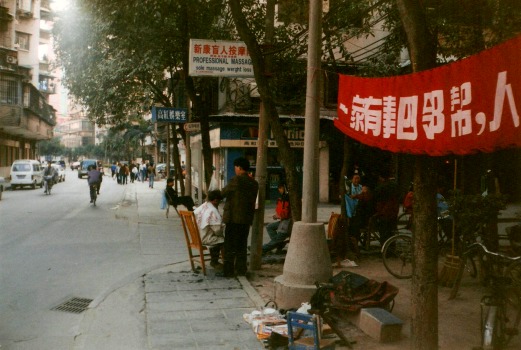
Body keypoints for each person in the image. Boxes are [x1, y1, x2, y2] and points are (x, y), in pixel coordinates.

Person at [220, 157, 259, 277]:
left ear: (239, 167)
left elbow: (223, 193)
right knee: (242, 245)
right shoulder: (254, 183)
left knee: (230, 245)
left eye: (235, 167)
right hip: (246, 219)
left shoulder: (236, 180)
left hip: (233, 219)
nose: (235, 170)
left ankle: (228, 270)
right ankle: (241, 270)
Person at [193, 190, 225, 269]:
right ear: (215, 200)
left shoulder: (203, 206)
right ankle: (215, 262)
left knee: (216, 236)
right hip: (205, 238)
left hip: (197, 236)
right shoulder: (212, 210)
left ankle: (214, 261)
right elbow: (217, 230)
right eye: (219, 201)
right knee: (223, 240)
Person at [262, 183, 291, 255]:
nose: (279, 190)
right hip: (283, 221)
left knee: (278, 238)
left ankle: (263, 249)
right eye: (279, 188)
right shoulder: (282, 198)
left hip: (288, 222)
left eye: (281, 188)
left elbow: (286, 213)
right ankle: (279, 244)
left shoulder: (287, 198)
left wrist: (279, 216)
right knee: (269, 227)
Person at [373, 171, 400, 246]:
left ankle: (385, 249)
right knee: (391, 232)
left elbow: (376, 198)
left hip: (384, 212)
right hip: (393, 211)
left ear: (381, 178)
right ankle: (391, 248)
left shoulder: (381, 187)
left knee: (384, 232)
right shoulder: (394, 185)